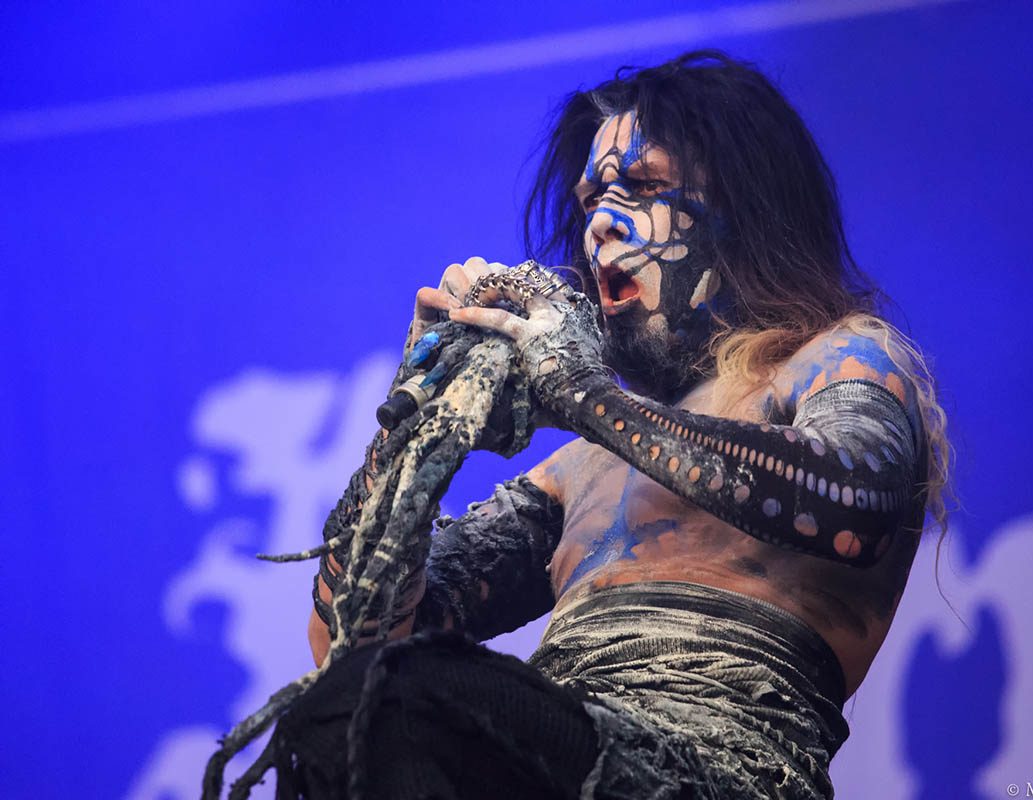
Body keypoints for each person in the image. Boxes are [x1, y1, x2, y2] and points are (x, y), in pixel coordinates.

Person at [294, 50, 950, 800]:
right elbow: (349, 643)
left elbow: (852, 505)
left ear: (746, 208)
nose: (599, 224)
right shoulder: (583, 466)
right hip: (569, 757)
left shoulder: (838, 357)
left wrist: (583, 394)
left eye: (642, 186)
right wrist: (414, 428)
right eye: (590, 201)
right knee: (348, 711)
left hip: (719, 772)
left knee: (414, 698)